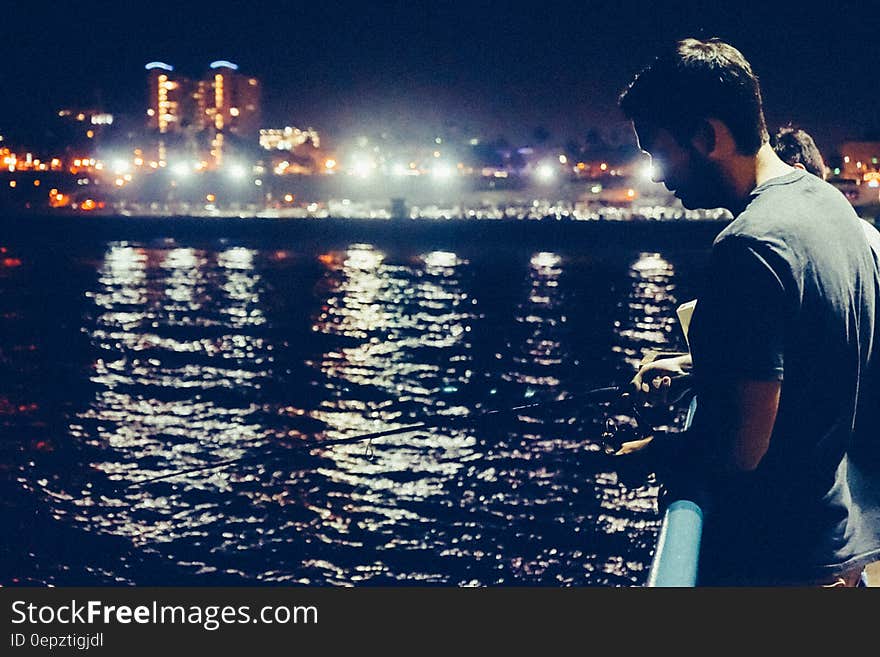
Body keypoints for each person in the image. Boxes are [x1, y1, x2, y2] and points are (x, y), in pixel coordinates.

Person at [616, 37, 880, 586]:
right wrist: (698, 371)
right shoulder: (828, 203)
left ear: (707, 136)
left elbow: (740, 450)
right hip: (838, 541)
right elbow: (812, 360)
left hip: (781, 557)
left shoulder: (748, 247)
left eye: (658, 152)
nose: (659, 175)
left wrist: (656, 451)